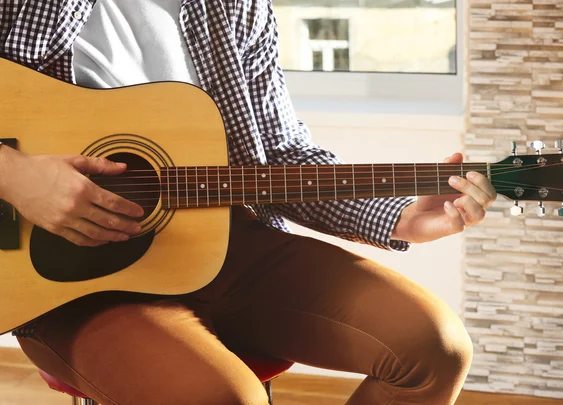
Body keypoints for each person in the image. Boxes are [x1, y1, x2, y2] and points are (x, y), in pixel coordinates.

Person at [0, 1, 496, 404]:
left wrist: (401, 216)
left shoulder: (239, 7)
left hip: (226, 243)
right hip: (70, 279)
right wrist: (15, 175)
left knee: (433, 348)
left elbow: (279, 153)